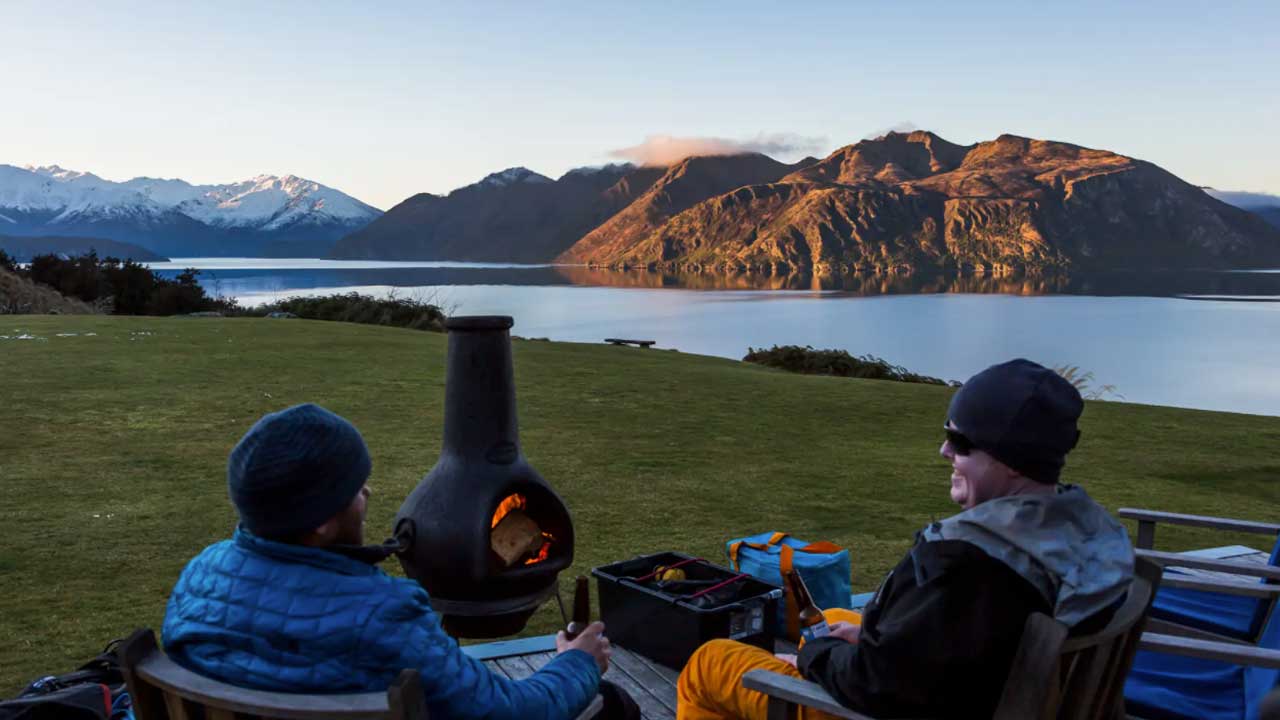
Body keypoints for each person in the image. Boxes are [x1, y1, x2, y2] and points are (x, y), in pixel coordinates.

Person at [677, 359, 1136, 719]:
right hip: (985, 685)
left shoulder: (970, 563)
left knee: (709, 663)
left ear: (1010, 458)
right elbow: (958, 638)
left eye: (960, 442)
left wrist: (818, 657)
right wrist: (867, 636)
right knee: (837, 617)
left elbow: (877, 686)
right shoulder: (1085, 533)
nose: (945, 452)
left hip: (912, 706)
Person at [163, 403, 610, 720]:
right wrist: (579, 661)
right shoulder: (381, 614)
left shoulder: (200, 576)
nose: (367, 495)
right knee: (613, 706)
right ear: (319, 521)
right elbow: (510, 712)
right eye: (355, 488)